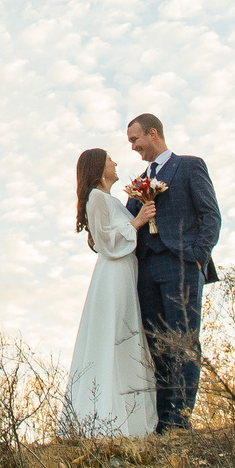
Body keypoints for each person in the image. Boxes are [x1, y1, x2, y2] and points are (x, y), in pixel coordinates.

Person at [124, 113, 219, 433]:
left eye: (136, 139)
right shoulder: (137, 184)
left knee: (183, 341)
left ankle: (180, 419)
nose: (133, 146)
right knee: (157, 346)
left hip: (181, 263)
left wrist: (197, 256)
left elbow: (210, 215)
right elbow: (126, 226)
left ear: (153, 134)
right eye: (130, 142)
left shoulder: (190, 166)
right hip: (146, 269)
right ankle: (164, 421)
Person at [63, 147, 157, 437]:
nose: (115, 163)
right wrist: (138, 221)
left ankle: (130, 420)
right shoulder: (97, 197)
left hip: (125, 271)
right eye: (110, 160)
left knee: (125, 337)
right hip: (113, 274)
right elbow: (105, 242)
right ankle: (105, 420)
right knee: (115, 336)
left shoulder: (108, 199)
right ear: (99, 168)